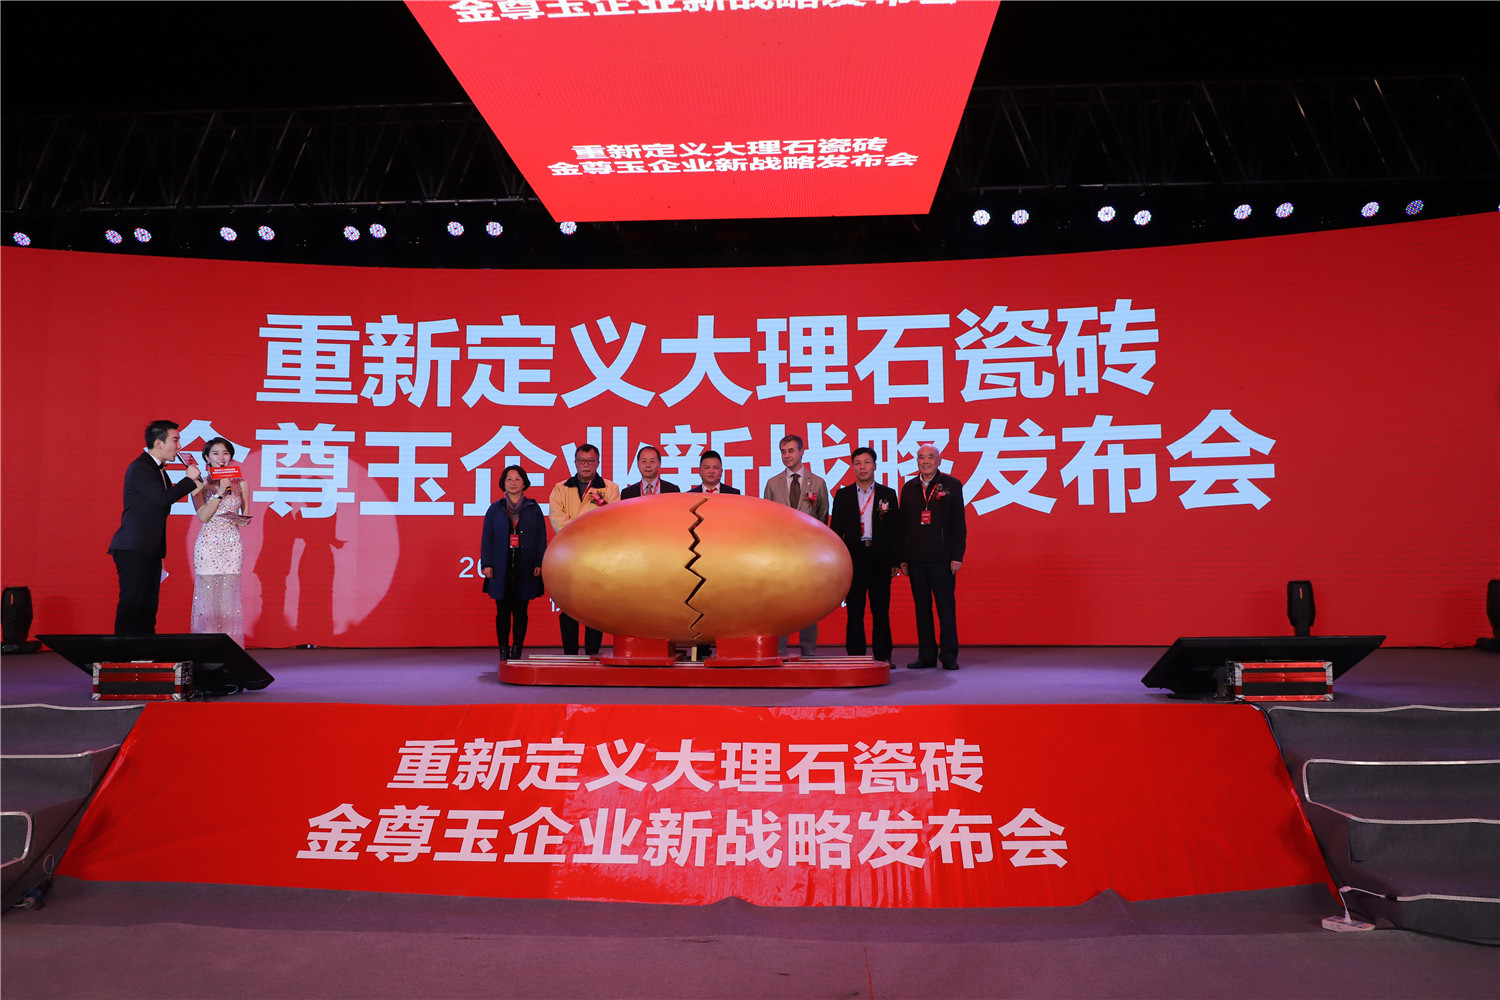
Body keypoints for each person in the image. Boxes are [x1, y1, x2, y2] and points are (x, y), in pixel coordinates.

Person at [108, 419, 204, 635]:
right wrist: (188, 481)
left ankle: (144, 649)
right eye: (175, 440)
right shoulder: (141, 467)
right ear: (159, 443)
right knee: (133, 603)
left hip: (149, 548)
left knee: (148, 605)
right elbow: (163, 499)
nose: (179, 446)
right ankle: (122, 651)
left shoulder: (159, 470)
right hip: (133, 546)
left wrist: (196, 484)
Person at [898, 444, 967, 670]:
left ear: (939, 460)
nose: (925, 461)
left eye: (930, 457)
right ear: (916, 462)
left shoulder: (952, 485)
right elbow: (903, 525)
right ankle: (926, 655)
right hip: (916, 559)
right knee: (922, 609)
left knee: (945, 608)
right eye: (921, 457)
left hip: (943, 558)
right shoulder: (909, 488)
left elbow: (959, 524)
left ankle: (949, 655)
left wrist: (957, 555)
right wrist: (903, 557)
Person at [548, 443, 620, 656]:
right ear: (575, 462)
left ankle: (592, 655)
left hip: (596, 554)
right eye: (581, 460)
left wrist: (581, 531)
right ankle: (570, 655)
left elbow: (612, 518)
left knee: (593, 608)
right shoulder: (560, 488)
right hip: (569, 554)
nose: (586, 465)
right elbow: (556, 517)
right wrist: (580, 531)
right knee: (568, 607)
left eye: (590, 461)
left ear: (598, 463)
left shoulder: (610, 488)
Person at [762, 434, 830, 657]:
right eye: (783, 452)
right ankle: (778, 650)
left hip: (808, 553)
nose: (787, 456)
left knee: (809, 603)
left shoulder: (817, 482)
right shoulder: (772, 483)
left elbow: (822, 517)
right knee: (781, 602)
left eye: (791, 451)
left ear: (802, 452)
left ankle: (809, 651)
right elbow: (767, 518)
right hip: (780, 553)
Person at [830, 447, 900, 663]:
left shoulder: (888, 494)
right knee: (854, 611)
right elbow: (835, 532)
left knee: (881, 611)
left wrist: (895, 561)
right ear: (853, 467)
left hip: (879, 559)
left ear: (875, 466)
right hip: (853, 559)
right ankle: (856, 658)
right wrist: (839, 563)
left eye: (867, 462)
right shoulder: (843, 495)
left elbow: (895, 530)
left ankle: (883, 657)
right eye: (858, 463)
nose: (862, 467)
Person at [481, 465, 547, 660]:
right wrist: (487, 564)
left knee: (521, 611)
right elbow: (487, 538)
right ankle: (503, 649)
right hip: (500, 567)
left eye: (517, 479)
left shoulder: (533, 508)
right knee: (502, 611)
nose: (513, 483)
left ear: (524, 483)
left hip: (525, 566)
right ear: (503, 483)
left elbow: (541, 538)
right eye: (509, 479)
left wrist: (539, 562)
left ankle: (517, 648)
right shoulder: (495, 508)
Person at [189, 437, 250, 645]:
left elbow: (245, 517)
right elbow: (203, 516)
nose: (221, 458)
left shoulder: (241, 483)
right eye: (215, 453)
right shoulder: (199, 484)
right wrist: (221, 493)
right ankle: (207, 647)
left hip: (232, 544)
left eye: (225, 453)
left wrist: (241, 519)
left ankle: (229, 647)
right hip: (208, 544)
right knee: (207, 600)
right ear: (207, 458)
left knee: (228, 598)